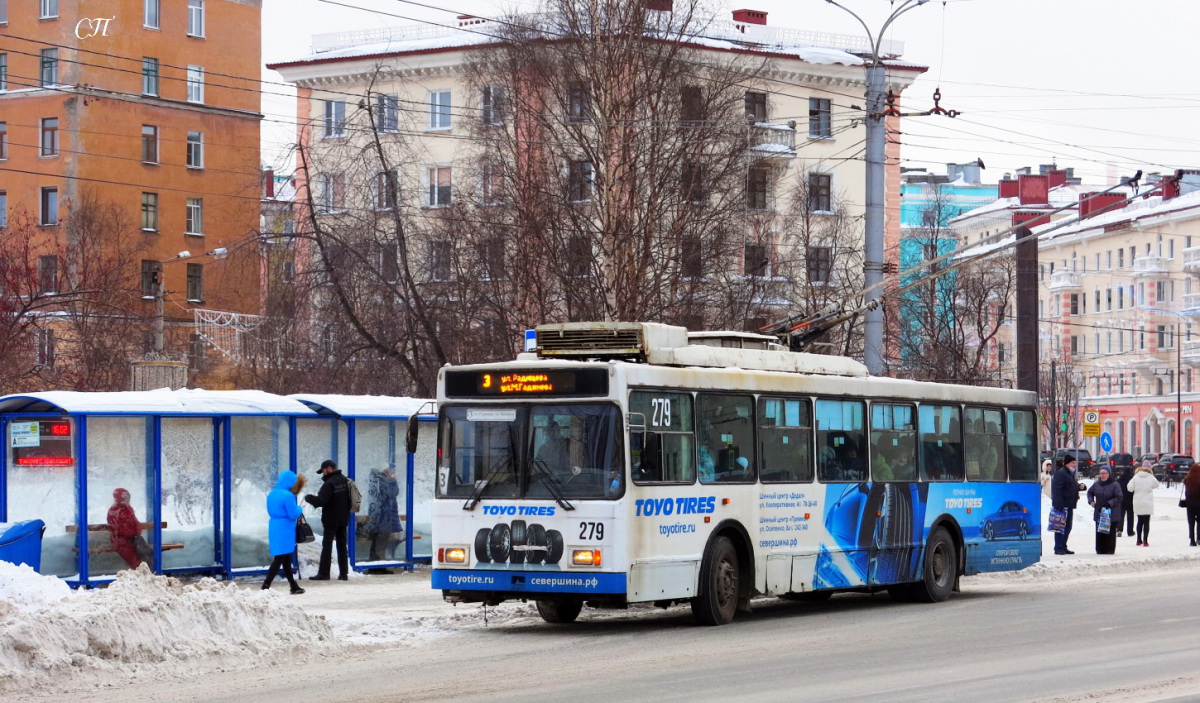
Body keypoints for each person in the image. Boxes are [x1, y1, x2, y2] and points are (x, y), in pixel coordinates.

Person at [305, 459, 351, 581]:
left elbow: (321, 501)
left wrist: (309, 498)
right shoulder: (344, 480)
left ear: (329, 469)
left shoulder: (329, 484)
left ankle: (324, 573)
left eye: (323, 471)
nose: (323, 474)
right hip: (343, 518)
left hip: (331, 519)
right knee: (342, 545)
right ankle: (343, 574)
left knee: (327, 545)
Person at [262, 470, 305, 594]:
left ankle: (293, 585)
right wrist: (299, 509)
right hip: (285, 529)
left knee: (286, 558)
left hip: (275, 526)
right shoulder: (288, 495)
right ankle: (266, 585)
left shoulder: (272, 494)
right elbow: (293, 514)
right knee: (280, 558)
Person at [366, 467, 402, 563]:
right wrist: (392, 480)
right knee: (381, 543)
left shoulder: (376, 481)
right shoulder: (385, 482)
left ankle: (374, 564)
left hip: (377, 517)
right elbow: (393, 493)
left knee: (376, 543)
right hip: (384, 518)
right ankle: (379, 565)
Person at [1086, 467, 1123, 555]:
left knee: (1110, 532)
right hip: (1099, 511)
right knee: (1100, 531)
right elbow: (1090, 492)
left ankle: (1109, 550)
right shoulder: (1096, 484)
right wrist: (1091, 501)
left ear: (1109, 474)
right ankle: (1100, 549)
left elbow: (1119, 497)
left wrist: (1109, 503)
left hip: (1111, 512)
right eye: (1101, 473)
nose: (1102, 475)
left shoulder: (1115, 485)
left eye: (1104, 473)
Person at [107, 488, 146, 570]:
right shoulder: (114, 511)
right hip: (121, 542)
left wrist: (137, 533)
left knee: (146, 556)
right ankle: (140, 575)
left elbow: (136, 523)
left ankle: (145, 573)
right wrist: (133, 534)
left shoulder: (128, 509)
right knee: (136, 562)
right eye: (125, 499)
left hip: (132, 540)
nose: (127, 501)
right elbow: (117, 529)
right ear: (119, 499)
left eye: (128, 499)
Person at [1051, 458, 1082, 555]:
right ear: (1067, 463)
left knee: (1068, 527)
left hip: (1069, 505)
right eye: (1073, 463)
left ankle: (1063, 546)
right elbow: (1057, 489)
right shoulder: (1061, 473)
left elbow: (1070, 486)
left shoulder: (1070, 474)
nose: (1074, 465)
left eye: (1075, 463)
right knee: (1060, 527)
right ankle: (1058, 547)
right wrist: (1058, 504)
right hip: (1062, 505)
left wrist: (1080, 487)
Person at [1126, 463, 1160, 547]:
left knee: (1139, 521)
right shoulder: (1150, 477)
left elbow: (1129, 488)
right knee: (1146, 522)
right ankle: (1145, 541)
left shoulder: (1136, 477)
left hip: (1138, 501)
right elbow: (1157, 485)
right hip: (1147, 501)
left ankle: (1138, 540)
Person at [1183, 463, 1200, 547]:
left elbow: (1186, 493)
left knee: (1191, 522)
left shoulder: (1187, 479)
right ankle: (1199, 538)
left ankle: (1192, 540)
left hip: (1189, 504)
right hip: (1199, 504)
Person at [1117, 464, 1136, 537]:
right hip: (1131, 500)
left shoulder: (1120, 479)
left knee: (1121, 516)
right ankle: (1130, 531)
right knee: (1130, 516)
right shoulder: (1132, 479)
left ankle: (1119, 530)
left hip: (1121, 500)